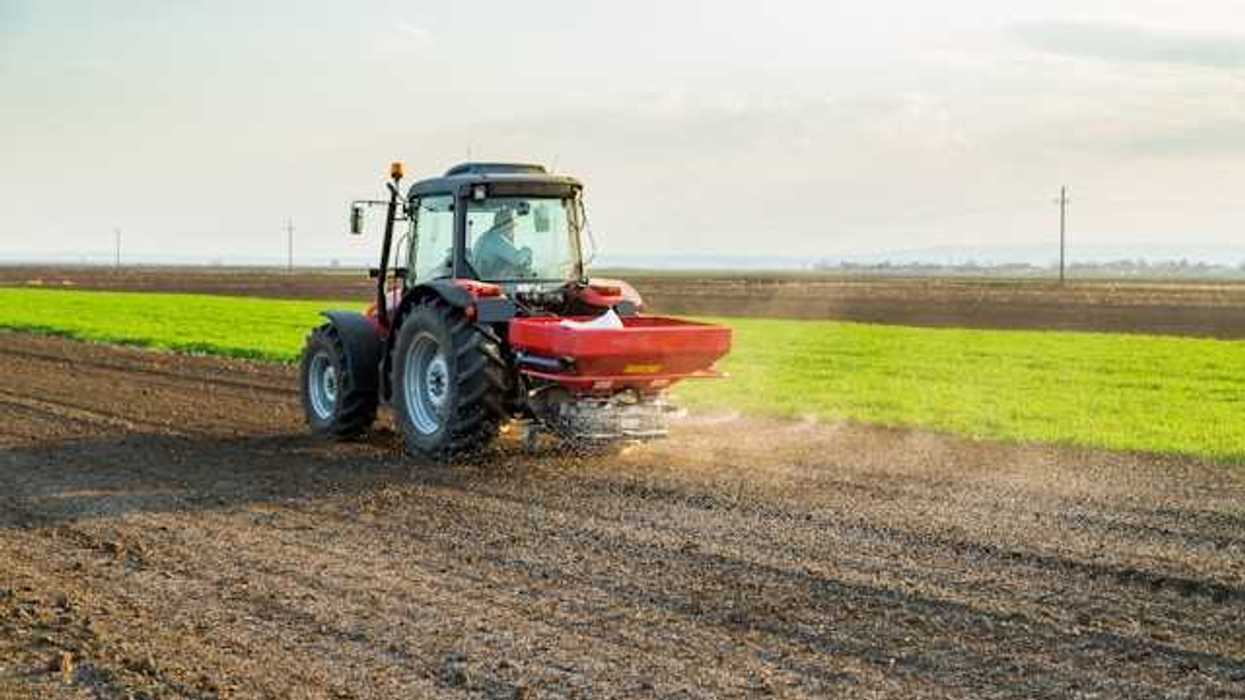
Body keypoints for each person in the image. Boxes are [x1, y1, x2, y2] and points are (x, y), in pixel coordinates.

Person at [473, 208, 533, 279]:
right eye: (511, 226)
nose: (512, 230)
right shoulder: (495, 240)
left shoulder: (486, 237)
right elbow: (518, 259)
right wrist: (527, 250)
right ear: (504, 225)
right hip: (490, 281)